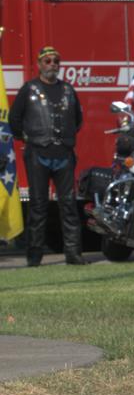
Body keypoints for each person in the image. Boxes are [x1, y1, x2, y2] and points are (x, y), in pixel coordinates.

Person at [10, 46, 85, 266]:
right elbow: (15, 118)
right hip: (37, 154)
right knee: (38, 205)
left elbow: (78, 120)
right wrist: (27, 138)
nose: (52, 65)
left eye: (55, 61)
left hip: (64, 154)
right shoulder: (29, 89)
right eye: (48, 61)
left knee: (69, 204)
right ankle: (34, 257)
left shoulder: (68, 90)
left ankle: (73, 254)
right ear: (39, 64)